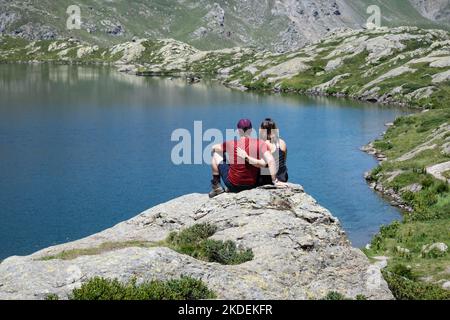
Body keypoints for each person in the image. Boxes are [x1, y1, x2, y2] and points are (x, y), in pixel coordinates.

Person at [209, 119, 284, 198]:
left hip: (233, 185)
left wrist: (214, 149)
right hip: (252, 185)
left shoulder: (230, 144)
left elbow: (214, 148)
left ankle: (216, 185)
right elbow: (271, 160)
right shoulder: (260, 143)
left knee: (216, 154)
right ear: (251, 130)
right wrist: (274, 181)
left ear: (238, 131)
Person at [237, 118, 288, 186]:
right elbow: (283, 161)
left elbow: (262, 164)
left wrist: (246, 157)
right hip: (282, 177)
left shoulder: (262, 144)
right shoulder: (282, 143)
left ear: (262, 131)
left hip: (268, 179)